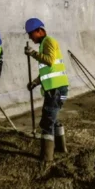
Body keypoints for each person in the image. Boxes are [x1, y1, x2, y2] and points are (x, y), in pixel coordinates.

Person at [24, 18, 70, 163]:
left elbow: (49, 61)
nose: (30, 38)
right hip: (56, 89)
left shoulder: (49, 41)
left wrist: (33, 54)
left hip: (56, 90)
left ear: (39, 31)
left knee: (47, 122)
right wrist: (35, 82)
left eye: (31, 34)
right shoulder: (44, 44)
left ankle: (46, 158)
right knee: (52, 117)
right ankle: (61, 148)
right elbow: (48, 70)